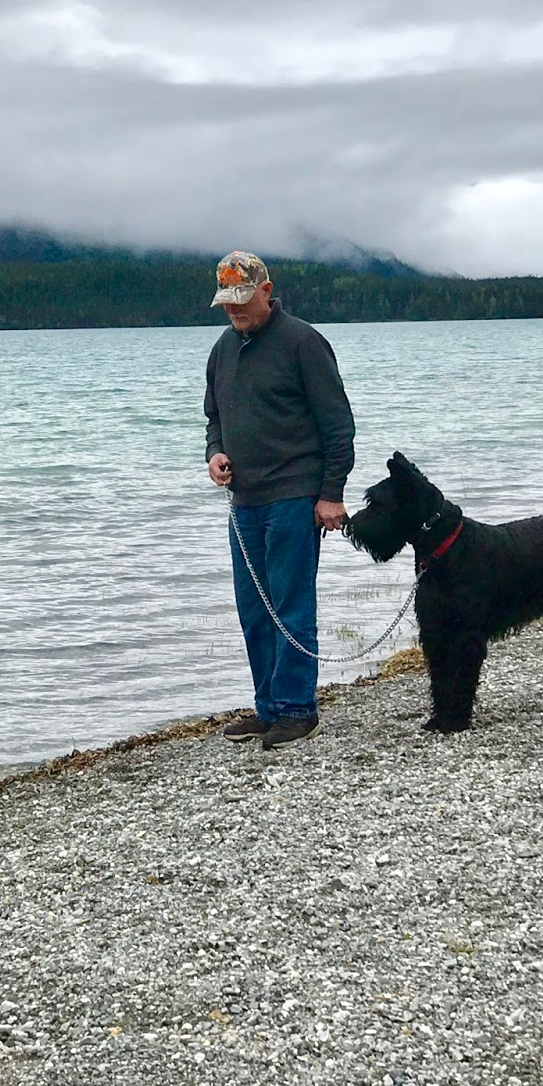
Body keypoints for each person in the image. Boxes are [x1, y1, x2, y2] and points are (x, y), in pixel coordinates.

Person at [203, 250, 355, 750]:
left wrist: (331, 495)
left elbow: (338, 426)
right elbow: (215, 419)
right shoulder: (223, 349)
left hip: (294, 496)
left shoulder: (303, 342)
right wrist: (215, 453)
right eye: (227, 303)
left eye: (243, 300)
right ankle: (268, 709)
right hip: (244, 501)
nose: (235, 311)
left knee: (290, 605)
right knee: (253, 609)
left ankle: (297, 711)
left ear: (267, 291)